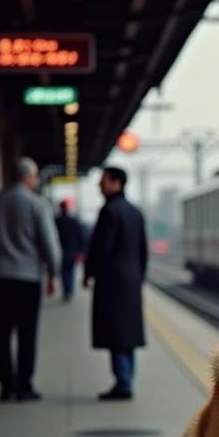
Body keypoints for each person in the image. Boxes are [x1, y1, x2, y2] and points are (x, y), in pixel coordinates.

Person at [0, 157, 61, 401]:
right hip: (27, 279)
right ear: (29, 177)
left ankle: (6, 385)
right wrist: (53, 273)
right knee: (27, 333)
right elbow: (49, 244)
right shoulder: (37, 203)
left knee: (0, 333)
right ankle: (24, 386)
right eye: (35, 176)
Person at [83, 166, 147, 400]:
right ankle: (126, 379)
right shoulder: (135, 212)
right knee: (127, 334)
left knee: (116, 334)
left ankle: (123, 383)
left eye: (103, 181)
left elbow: (102, 249)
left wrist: (89, 272)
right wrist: (139, 276)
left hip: (112, 281)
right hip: (131, 280)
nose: (99, 185)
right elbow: (142, 251)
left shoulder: (109, 211)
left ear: (116, 183)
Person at [55, 198, 86, 301]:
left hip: (60, 251)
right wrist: (81, 251)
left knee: (64, 272)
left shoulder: (57, 221)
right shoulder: (74, 221)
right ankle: (69, 290)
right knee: (70, 271)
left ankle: (66, 291)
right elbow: (80, 236)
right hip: (72, 251)